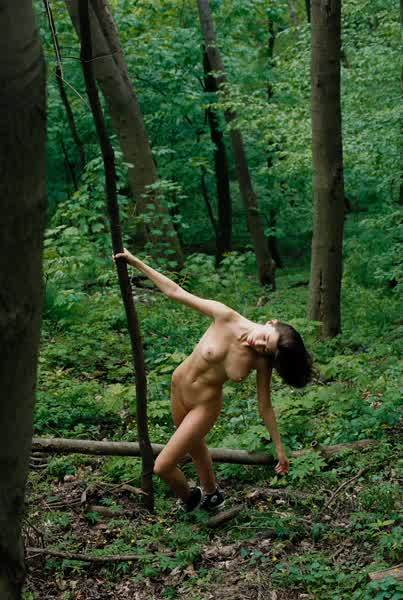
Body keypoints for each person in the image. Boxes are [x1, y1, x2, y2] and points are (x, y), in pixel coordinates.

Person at [114, 249, 313, 512]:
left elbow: (265, 405)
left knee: (163, 466)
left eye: (266, 349)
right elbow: (175, 292)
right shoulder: (225, 316)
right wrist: (134, 261)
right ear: (270, 322)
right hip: (178, 388)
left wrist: (280, 448)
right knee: (196, 447)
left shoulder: (261, 361)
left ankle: (190, 498)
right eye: (265, 338)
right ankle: (212, 494)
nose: (259, 344)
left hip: (204, 404)